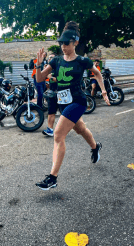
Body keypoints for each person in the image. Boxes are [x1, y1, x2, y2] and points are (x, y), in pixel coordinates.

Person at [35, 21, 110, 190]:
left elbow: (97, 74)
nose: (63, 46)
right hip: (63, 104)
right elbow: (40, 79)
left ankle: (52, 178)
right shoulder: (56, 61)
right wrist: (38, 65)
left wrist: (104, 92)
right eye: (61, 43)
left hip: (78, 102)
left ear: (75, 42)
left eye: (66, 43)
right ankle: (95, 147)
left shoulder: (83, 61)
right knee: (80, 129)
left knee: (58, 135)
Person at [42, 53, 58, 136]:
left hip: (61, 93)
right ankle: (50, 130)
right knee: (51, 112)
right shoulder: (49, 69)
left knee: (65, 113)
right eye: (48, 58)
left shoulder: (58, 68)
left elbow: (57, 79)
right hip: (52, 93)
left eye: (51, 58)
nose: (49, 59)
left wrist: (48, 75)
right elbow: (42, 78)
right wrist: (45, 71)